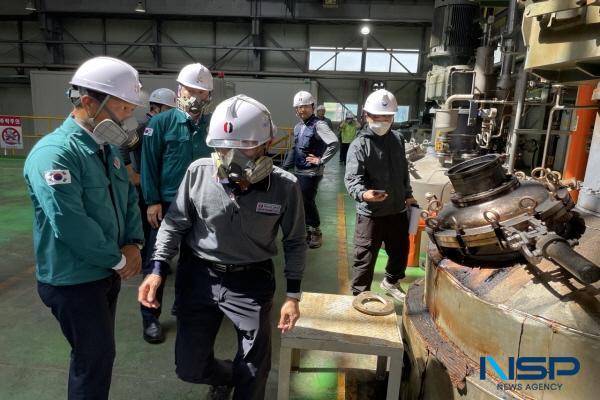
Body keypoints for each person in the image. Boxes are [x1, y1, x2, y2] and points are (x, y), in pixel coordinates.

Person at [138, 94, 306, 400]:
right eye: (223, 146)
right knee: (189, 367)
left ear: (267, 144)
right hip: (199, 276)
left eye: (244, 146)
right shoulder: (198, 173)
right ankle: (227, 375)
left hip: (251, 281)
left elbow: (295, 241)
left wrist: (293, 295)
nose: (232, 156)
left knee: (254, 370)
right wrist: (157, 268)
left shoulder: (285, 186)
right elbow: (174, 223)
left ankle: (243, 381)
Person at [23, 56, 144, 400]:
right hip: (73, 280)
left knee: (98, 355)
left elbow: (127, 197)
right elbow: (70, 222)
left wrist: (134, 243)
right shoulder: (54, 155)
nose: (126, 119)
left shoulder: (107, 150)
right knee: (93, 358)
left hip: (104, 273)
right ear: (88, 102)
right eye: (121, 109)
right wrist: (119, 259)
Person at [139, 63, 213, 343]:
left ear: (209, 96)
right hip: (168, 205)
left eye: (202, 92)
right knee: (157, 262)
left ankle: (183, 306)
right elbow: (149, 165)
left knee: (193, 262)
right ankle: (150, 319)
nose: (196, 96)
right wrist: (152, 201)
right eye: (191, 90)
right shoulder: (160, 123)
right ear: (179, 90)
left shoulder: (211, 126)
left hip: (201, 206)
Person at [344, 89, 418, 301]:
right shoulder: (360, 144)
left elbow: (402, 171)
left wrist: (409, 195)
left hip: (397, 209)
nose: (382, 121)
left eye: (387, 117)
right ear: (367, 116)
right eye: (377, 116)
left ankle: (391, 282)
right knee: (365, 257)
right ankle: (360, 294)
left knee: (400, 251)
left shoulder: (397, 139)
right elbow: (352, 179)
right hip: (371, 213)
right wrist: (364, 194)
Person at [283, 90, 339, 249]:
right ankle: (307, 230)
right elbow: (295, 149)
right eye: (299, 107)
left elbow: (334, 143)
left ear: (312, 107)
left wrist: (321, 160)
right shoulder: (298, 126)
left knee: (307, 201)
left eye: (305, 106)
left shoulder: (319, 125)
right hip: (299, 171)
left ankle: (316, 232)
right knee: (300, 201)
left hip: (312, 172)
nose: (302, 110)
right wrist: (285, 167)